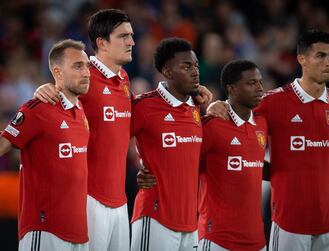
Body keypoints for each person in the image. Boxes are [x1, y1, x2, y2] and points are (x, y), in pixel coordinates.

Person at [34, 8, 212, 251]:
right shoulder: (83, 76)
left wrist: (146, 162)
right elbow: (56, 99)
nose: (132, 41)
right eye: (123, 36)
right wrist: (45, 89)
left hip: (119, 202)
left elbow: (132, 128)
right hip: (88, 197)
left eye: (131, 35)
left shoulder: (124, 80)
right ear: (102, 43)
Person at [207, 29, 329, 251]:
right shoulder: (274, 102)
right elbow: (238, 111)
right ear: (302, 59)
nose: (328, 62)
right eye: (320, 56)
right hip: (289, 225)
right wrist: (219, 104)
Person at [0, 39, 91, 250]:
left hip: (79, 233)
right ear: (58, 73)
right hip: (45, 230)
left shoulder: (80, 111)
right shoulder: (38, 108)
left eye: (86, 65)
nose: (86, 72)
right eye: (78, 66)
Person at [130, 38, 202, 251]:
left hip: (191, 223)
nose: (195, 71)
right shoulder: (144, 106)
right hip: (155, 218)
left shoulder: (197, 108)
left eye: (196, 66)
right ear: (168, 72)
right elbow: (110, 140)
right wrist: (132, 167)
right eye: (186, 66)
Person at [198, 59, 267, 251]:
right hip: (218, 240)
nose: (260, 88)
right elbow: (185, 164)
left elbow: (256, 166)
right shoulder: (211, 125)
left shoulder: (262, 123)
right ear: (232, 89)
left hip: (257, 241)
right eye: (251, 83)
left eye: (260, 82)